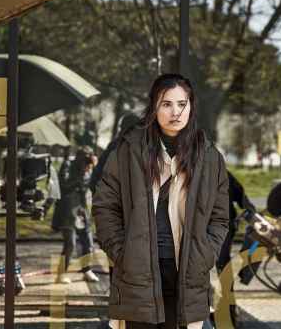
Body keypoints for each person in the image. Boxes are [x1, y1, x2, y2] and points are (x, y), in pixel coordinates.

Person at [92, 73, 229, 329]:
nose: (175, 111)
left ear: (191, 107)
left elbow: (220, 217)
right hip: (139, 271)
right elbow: (104, 206)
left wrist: (205, 253)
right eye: (166, 104)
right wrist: (122, 252)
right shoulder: (129, 150)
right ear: (154, 107)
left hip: (187, 272)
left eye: (181, 104)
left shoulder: (209, 157)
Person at [53, 147, 99, 283]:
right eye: (86, 164)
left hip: (82, 210)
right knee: (70, 244)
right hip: (67, 209)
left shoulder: (87, 169)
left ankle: (87, 270)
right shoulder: (68, 165)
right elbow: (63, 185)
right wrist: (78, 177)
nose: (88, 168)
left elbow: (91, 187)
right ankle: (61, 274)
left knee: (88, 242)